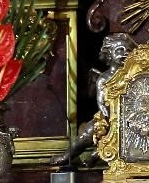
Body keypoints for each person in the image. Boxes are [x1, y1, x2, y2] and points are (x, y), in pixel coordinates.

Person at [50, 33, 135, 166]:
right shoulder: (104, 78)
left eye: (128, 51)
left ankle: (97, 155)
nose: (124, 54)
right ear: (108, 55)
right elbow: (101, 102)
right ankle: (68, 155)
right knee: (86, 135)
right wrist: (110, 118)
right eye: (119, 50)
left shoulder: (134, 77)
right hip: (107, 116)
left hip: (130, 118)